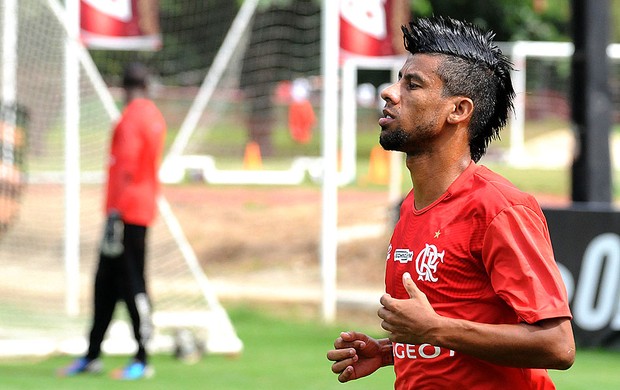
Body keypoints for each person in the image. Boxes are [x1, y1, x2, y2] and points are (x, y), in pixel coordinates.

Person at [327, 16, 575, 389]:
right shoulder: (412, 205)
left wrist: (435, 329)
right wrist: (390, 350)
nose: (389, 93)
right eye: (398, 81)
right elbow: (458, 320)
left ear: (458, 110)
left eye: (412, 85)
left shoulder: (499, 208)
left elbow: (557, 345)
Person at [58, 62, 167, 380]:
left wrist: (115, 214)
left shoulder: (130, 120)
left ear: (122, 87)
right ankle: (92, 354)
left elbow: (126, 169)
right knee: (105, 284)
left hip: (125, 214)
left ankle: (143, 359)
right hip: (137, 210)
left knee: (133, 284)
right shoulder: (154, 117)